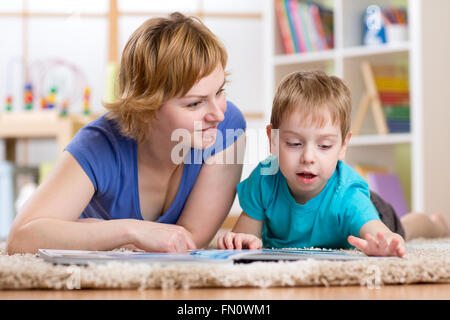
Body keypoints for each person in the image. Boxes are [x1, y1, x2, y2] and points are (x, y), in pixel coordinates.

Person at [6, 12, 246, 254]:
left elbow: (190, 242)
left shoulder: (228, 129)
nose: (218, 114)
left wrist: (92, 230)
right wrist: (131, 231)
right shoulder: (99, 144)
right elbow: (20, 240)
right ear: (146, 108)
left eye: (220, 91)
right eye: (195, 103)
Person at [217, 70, 449, 257]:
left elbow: (383, 235)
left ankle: (435, 224)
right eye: (295, 143)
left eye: (324, 146)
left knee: (407, 227)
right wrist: (241, 240)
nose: (308, 157)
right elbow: (245, 237)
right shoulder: (264, 180)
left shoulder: (348, 196)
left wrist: (388, 242)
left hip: (372, 209)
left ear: (343, 146)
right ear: (273, 140)